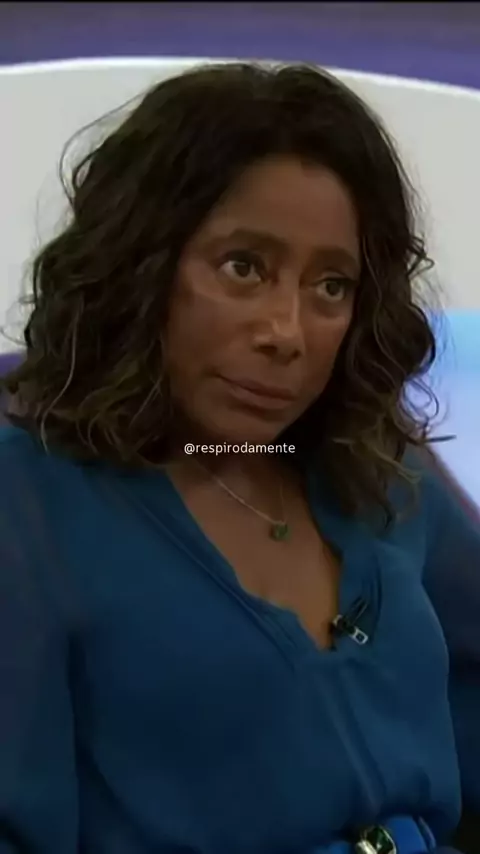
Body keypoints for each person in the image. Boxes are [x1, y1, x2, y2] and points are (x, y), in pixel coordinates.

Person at [0, 61, 478, 854]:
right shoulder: (28, 503)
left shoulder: (382, 474)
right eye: (243, 267)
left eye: (332, 286)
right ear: (141, 266)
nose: (287, 332)